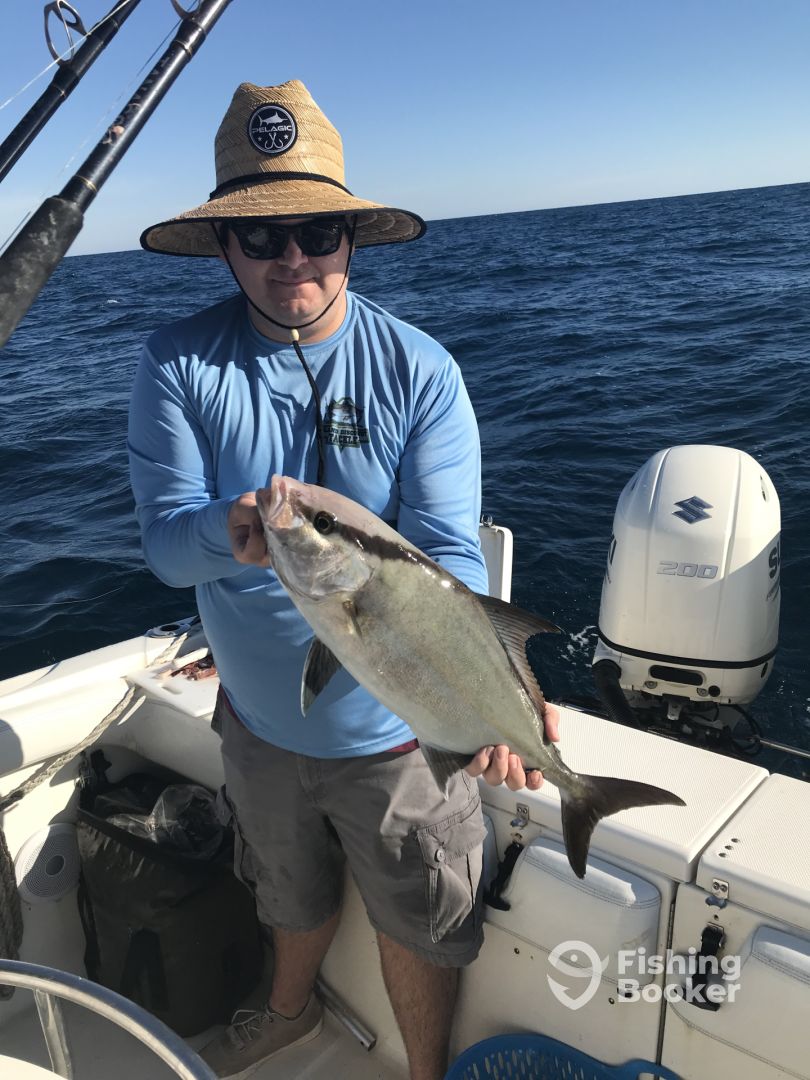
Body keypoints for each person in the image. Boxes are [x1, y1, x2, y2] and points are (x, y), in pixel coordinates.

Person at [129, 80, 559, 1080]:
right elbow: (163, 548)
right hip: (258, 728)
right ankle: (288, 1013)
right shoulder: (176, 364)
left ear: (351, 237)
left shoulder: (420, 370)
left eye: (317, 231)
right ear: (224, 246)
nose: (293, 258)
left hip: (404, 732)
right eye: (260, 236)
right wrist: (225, 531)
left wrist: (500, 695)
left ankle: (423, 1073)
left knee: (422, 921)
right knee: (286, 893)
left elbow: (449, 555)